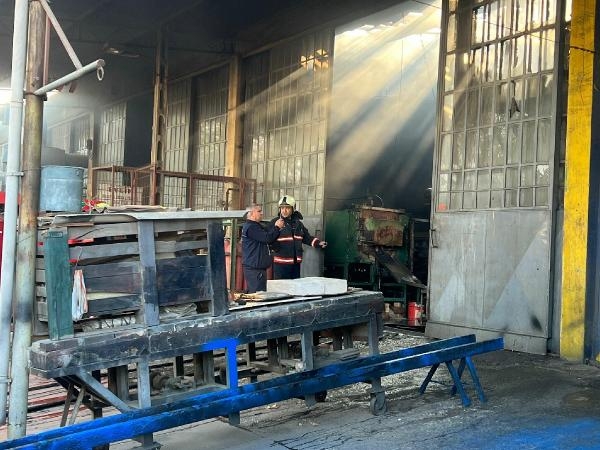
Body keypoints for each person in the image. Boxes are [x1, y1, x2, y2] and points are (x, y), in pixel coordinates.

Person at [269, 195, 327, 280]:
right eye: (282, 208)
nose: (284, 210)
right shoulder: (275, 222)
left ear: (293, 209)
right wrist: (274, 246)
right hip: (281, 264)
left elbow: (306, 237)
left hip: (295, 264)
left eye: (287, 208)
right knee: (281, 287)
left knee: (295, 286)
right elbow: (268, 238)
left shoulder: (298, 224)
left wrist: (318, 243)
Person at [241, 204, 284, 293]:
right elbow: (267, 238)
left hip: (257, 268)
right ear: (251, 213)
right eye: (259, 211)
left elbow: (268, 238)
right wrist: (277, 227)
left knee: (259, 293)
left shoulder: (255, 226)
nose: (262, 213)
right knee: (258, 294)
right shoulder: (251, 227)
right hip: (254, 268)